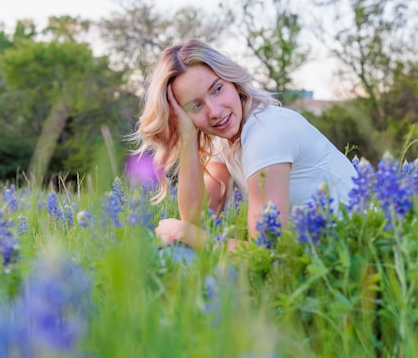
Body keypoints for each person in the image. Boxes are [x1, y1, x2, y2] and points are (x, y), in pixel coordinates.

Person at [133, 39, 358, 251]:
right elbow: (197, 218)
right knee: (178, 253)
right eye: (196, 106)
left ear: (231, 80)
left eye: (217, 89)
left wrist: (187, 233)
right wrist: (188, 138)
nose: (215, 112)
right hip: (320, 254)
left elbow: (265, 253)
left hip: (357, 249)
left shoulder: (266, 134)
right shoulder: (226, 140)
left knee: (181, 253)